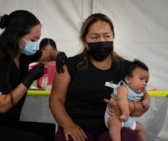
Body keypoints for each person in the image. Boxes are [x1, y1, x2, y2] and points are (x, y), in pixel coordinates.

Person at [0, 10, 67, 141]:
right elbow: (2, 106)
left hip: (5, 123)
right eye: (33, 39)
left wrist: (58, 55)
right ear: (17, 36)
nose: (35, 44)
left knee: (49, 131)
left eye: (38, 39)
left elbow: (47, 55)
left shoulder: (23, 55)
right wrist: (29, 78)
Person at [49, 13, 150, 141]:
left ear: (113, 37)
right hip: (78, 128)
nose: (102, 41)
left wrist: (130, 107)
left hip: (114, 128)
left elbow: (143, 104)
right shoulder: (69, 66)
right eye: (95, 37)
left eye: (107, 36)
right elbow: (56, 99)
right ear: (85, 40)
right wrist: (68, 125)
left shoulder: (128, 68)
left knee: (128, 137)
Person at [104, 59, 150, 141]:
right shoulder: (123, 87)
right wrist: (126, 113)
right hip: (114, 116)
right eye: (141, 79)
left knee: (141, 128)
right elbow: (121, 99)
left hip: (128, 119)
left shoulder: (141, 91)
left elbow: (146, 94)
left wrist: (146, 99)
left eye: (146, 81)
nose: (144, 83)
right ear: (128, 79)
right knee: (115, 126)